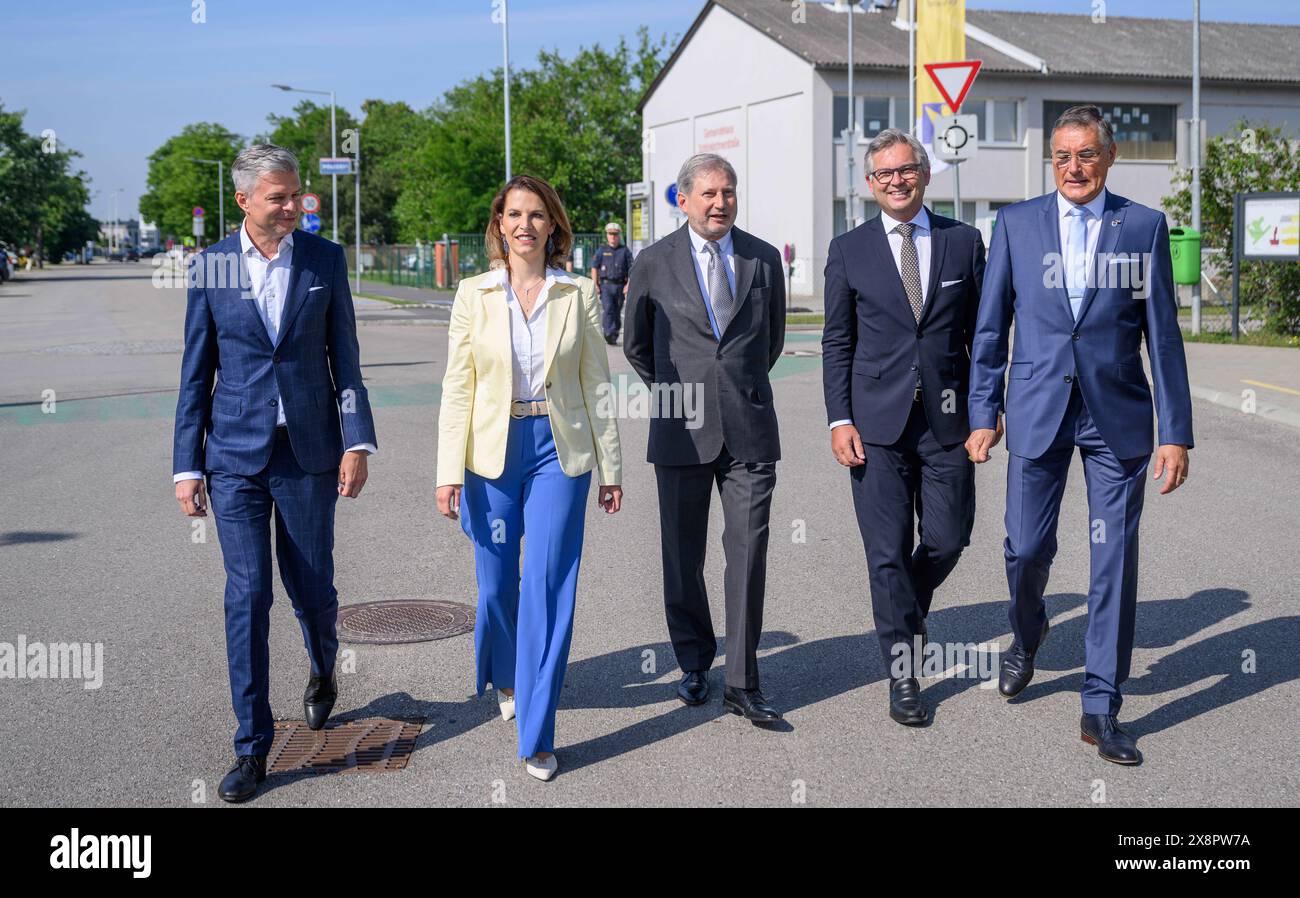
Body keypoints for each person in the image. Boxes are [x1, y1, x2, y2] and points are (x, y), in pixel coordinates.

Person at [967, 105, 1194, 765]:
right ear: (1052, 161)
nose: (1073, 167)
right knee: (1025, 548)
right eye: (1062, 156)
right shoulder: (1015, 224)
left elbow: (1165, 339)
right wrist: (983, 411)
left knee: (1114, 562)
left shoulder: (1143, 227)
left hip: (1116, 419)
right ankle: (1027, 631)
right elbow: (988, 332)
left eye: (1086, 154)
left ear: (1108, 158)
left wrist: (1175, 432)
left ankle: (1101, 705)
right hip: (1038, 408)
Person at [172, 144, 377, 803]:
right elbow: (195, 374)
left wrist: (357, 442)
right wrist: (186, 465)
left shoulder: (324, 260)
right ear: (244, 201)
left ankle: (322, 669)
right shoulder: (211, 268)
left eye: (297, 195)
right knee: (248, 593)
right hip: (233, 458)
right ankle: (252, 748)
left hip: (309, 452)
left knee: (312, 589)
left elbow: (345, 357)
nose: (294, 206)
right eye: (280, 198)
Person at [436, 174, 622, 782]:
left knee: (546, 583)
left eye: (536, 215)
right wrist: (447, 472)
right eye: (514, 214)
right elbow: (458, 385)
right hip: (490, 453)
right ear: (499, 225)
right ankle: (508, 673)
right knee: (495, 587)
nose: (524, 224)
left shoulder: (577, 295)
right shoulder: (473, 293)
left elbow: (596, 383)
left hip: (557, 452)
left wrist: (610, 467)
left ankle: (536, 733)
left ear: (553, 226)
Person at [821, 128, 986, 726]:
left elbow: (983, 336)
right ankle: (904, 674)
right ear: (869, 184)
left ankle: (906, 608)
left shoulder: (963, 242)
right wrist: (839, 418)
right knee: (886, 552)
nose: (896, 180)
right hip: (875, 426)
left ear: (924, 173)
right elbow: (837, 341)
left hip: (948, 422)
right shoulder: (849, 249)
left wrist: (986, 414)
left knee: (949, 538)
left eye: (906, 169)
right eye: (884, 174)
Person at [623, 153, 787, 723]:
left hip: (749, 430)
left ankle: (743, 682)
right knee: (682, 555)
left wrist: (732, 389)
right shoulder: (651, 262)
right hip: (680, 433)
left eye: (730, 192)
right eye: (710, 194)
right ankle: (694, 662)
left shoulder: (763, 259)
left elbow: (770, 343)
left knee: (747, 554)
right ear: (683, 199)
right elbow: (636, 346)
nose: (721, 203)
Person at [590, 222, 633, 345]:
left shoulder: (624, 251)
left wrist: (628, 284)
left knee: (617, 310)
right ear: (607, 235)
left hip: (620, 285)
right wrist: (595, 284)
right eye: (610, 234)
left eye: (615, 234)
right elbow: (594, 267)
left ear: (619, 235)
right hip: (606, 285)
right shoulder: (602, 250)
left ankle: (614, 332)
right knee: (608, 309)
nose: (613, 237)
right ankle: (608, 333)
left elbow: (632, 268)